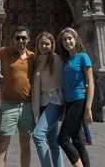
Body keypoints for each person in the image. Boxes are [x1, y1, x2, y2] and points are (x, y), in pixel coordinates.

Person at [0, 26, 35, 167]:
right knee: (3, 144)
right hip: (8, 105)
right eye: (17, 37)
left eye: (23, 38)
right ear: (13, 39)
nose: (20, 40)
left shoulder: (32, 57)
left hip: (27, 106)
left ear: (28, 40)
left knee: (25, 143)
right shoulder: (5, 52)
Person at [56, 27, 94, 167]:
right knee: (77, 141)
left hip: (79, 100)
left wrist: (88, 108)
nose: (67, 42)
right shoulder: (66, 60)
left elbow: (90, 83)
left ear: (76, 39)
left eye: (69, 38)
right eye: (64, 40)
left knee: (62, 139)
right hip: (69, 102)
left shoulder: (83, 56)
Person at [31, 32, 64, 167]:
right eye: (41, 43)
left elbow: (64, 78)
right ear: (37, 45)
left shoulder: (56, 59)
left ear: (52, 45)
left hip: (54, 102)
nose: (44, 46)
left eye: (47, 44)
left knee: (38, 135)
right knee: (53, 143)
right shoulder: (37, 61)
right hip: (42, 103)